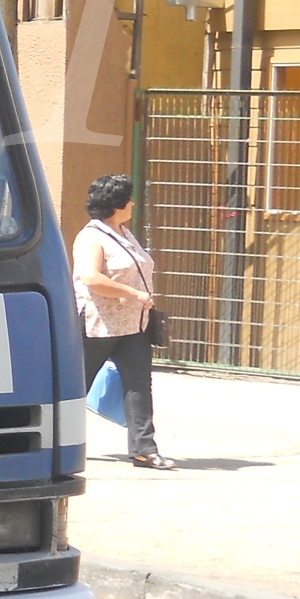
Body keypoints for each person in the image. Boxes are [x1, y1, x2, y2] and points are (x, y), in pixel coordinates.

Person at [74, 174, 171, 470]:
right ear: (115, 204)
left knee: (139, 386)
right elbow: (91, 278)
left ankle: (144, 448)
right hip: (98, 324)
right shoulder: (91, 236)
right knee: (76, 386)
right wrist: (133, 293)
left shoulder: (125, 233)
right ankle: (56, 443)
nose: (132, 204)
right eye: (128, 199)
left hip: (133, 325)